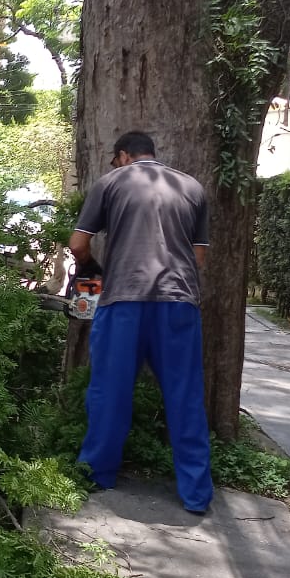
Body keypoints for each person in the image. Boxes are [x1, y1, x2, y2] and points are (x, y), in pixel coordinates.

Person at [68, 130, 214, 514]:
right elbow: (198, 258)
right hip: (178, 303)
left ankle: (97, 474)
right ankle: (197, 494)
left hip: (124, 301)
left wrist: (90, 270)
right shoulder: (192, 187)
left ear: (123, 156)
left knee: (110, 391)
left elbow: (78, 245)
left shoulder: (111, 182)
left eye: (115, 160)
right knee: (185, 396)